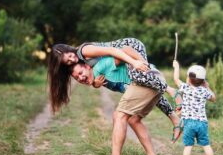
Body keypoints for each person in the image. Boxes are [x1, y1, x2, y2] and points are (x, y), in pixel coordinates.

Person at [47, 38, 180, 131]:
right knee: (145, 86)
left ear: (69, 49)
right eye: (67, 62)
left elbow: (113, 51)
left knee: (138, 76)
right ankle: (174, 118)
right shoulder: (77, 64)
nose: (72, 59)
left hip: (130, 48)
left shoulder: (83, 51)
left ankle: (171, 90)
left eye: (69, 55)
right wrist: (95, 84)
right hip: (122, 57)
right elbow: (94, 74)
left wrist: (134, 62)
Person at [172, 60, 219, 155]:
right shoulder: (204, 91)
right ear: (203, 81)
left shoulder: (185, 88)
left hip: (188, 122)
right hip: (202, 123)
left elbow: (176, 80)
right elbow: (213, 98)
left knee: (188, 145)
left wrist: (176, 67)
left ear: (188, 78)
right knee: (206, 144)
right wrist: (207, 87)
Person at [105, 84, 162, 155]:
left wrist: (172, 115)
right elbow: (159, 84)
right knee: (134, 119)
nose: (80, 78)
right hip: (157, 84)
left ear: (88, 69)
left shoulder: (98, 71)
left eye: (80, 73)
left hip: (144, 82)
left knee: (119, 115)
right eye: (76, 78)